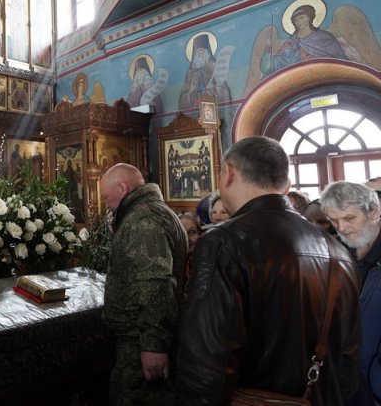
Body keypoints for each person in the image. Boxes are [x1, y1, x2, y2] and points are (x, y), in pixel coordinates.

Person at [176, 137, 361, 405]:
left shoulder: (223, 242)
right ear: (286, 185)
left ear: (228, 173)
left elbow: (206, 360)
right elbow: (348, 356)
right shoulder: (337, 250)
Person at [99, 163, 188, 405]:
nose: (106, 204)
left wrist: (153, 345)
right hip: (140, 337)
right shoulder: (150, 212)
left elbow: (156, 283)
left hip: (139, 340)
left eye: (106, 197)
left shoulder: (143, 220)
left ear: (122, 188)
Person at [320, 181, 381, 403]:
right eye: (333, 221)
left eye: (349, 218)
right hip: (341, 377)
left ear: (374, 211)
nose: (342, 228)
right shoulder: (328, 250)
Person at [179, 33, 231, 109]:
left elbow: (222, 88)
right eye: (197, 52)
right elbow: (184, 94)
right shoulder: (191, 71)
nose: (199, 54)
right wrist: (190, 92)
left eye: (201, 51)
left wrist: (208, 93)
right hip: (196, 107)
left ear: (207, 52)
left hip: (213, 106)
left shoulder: (214, 66)